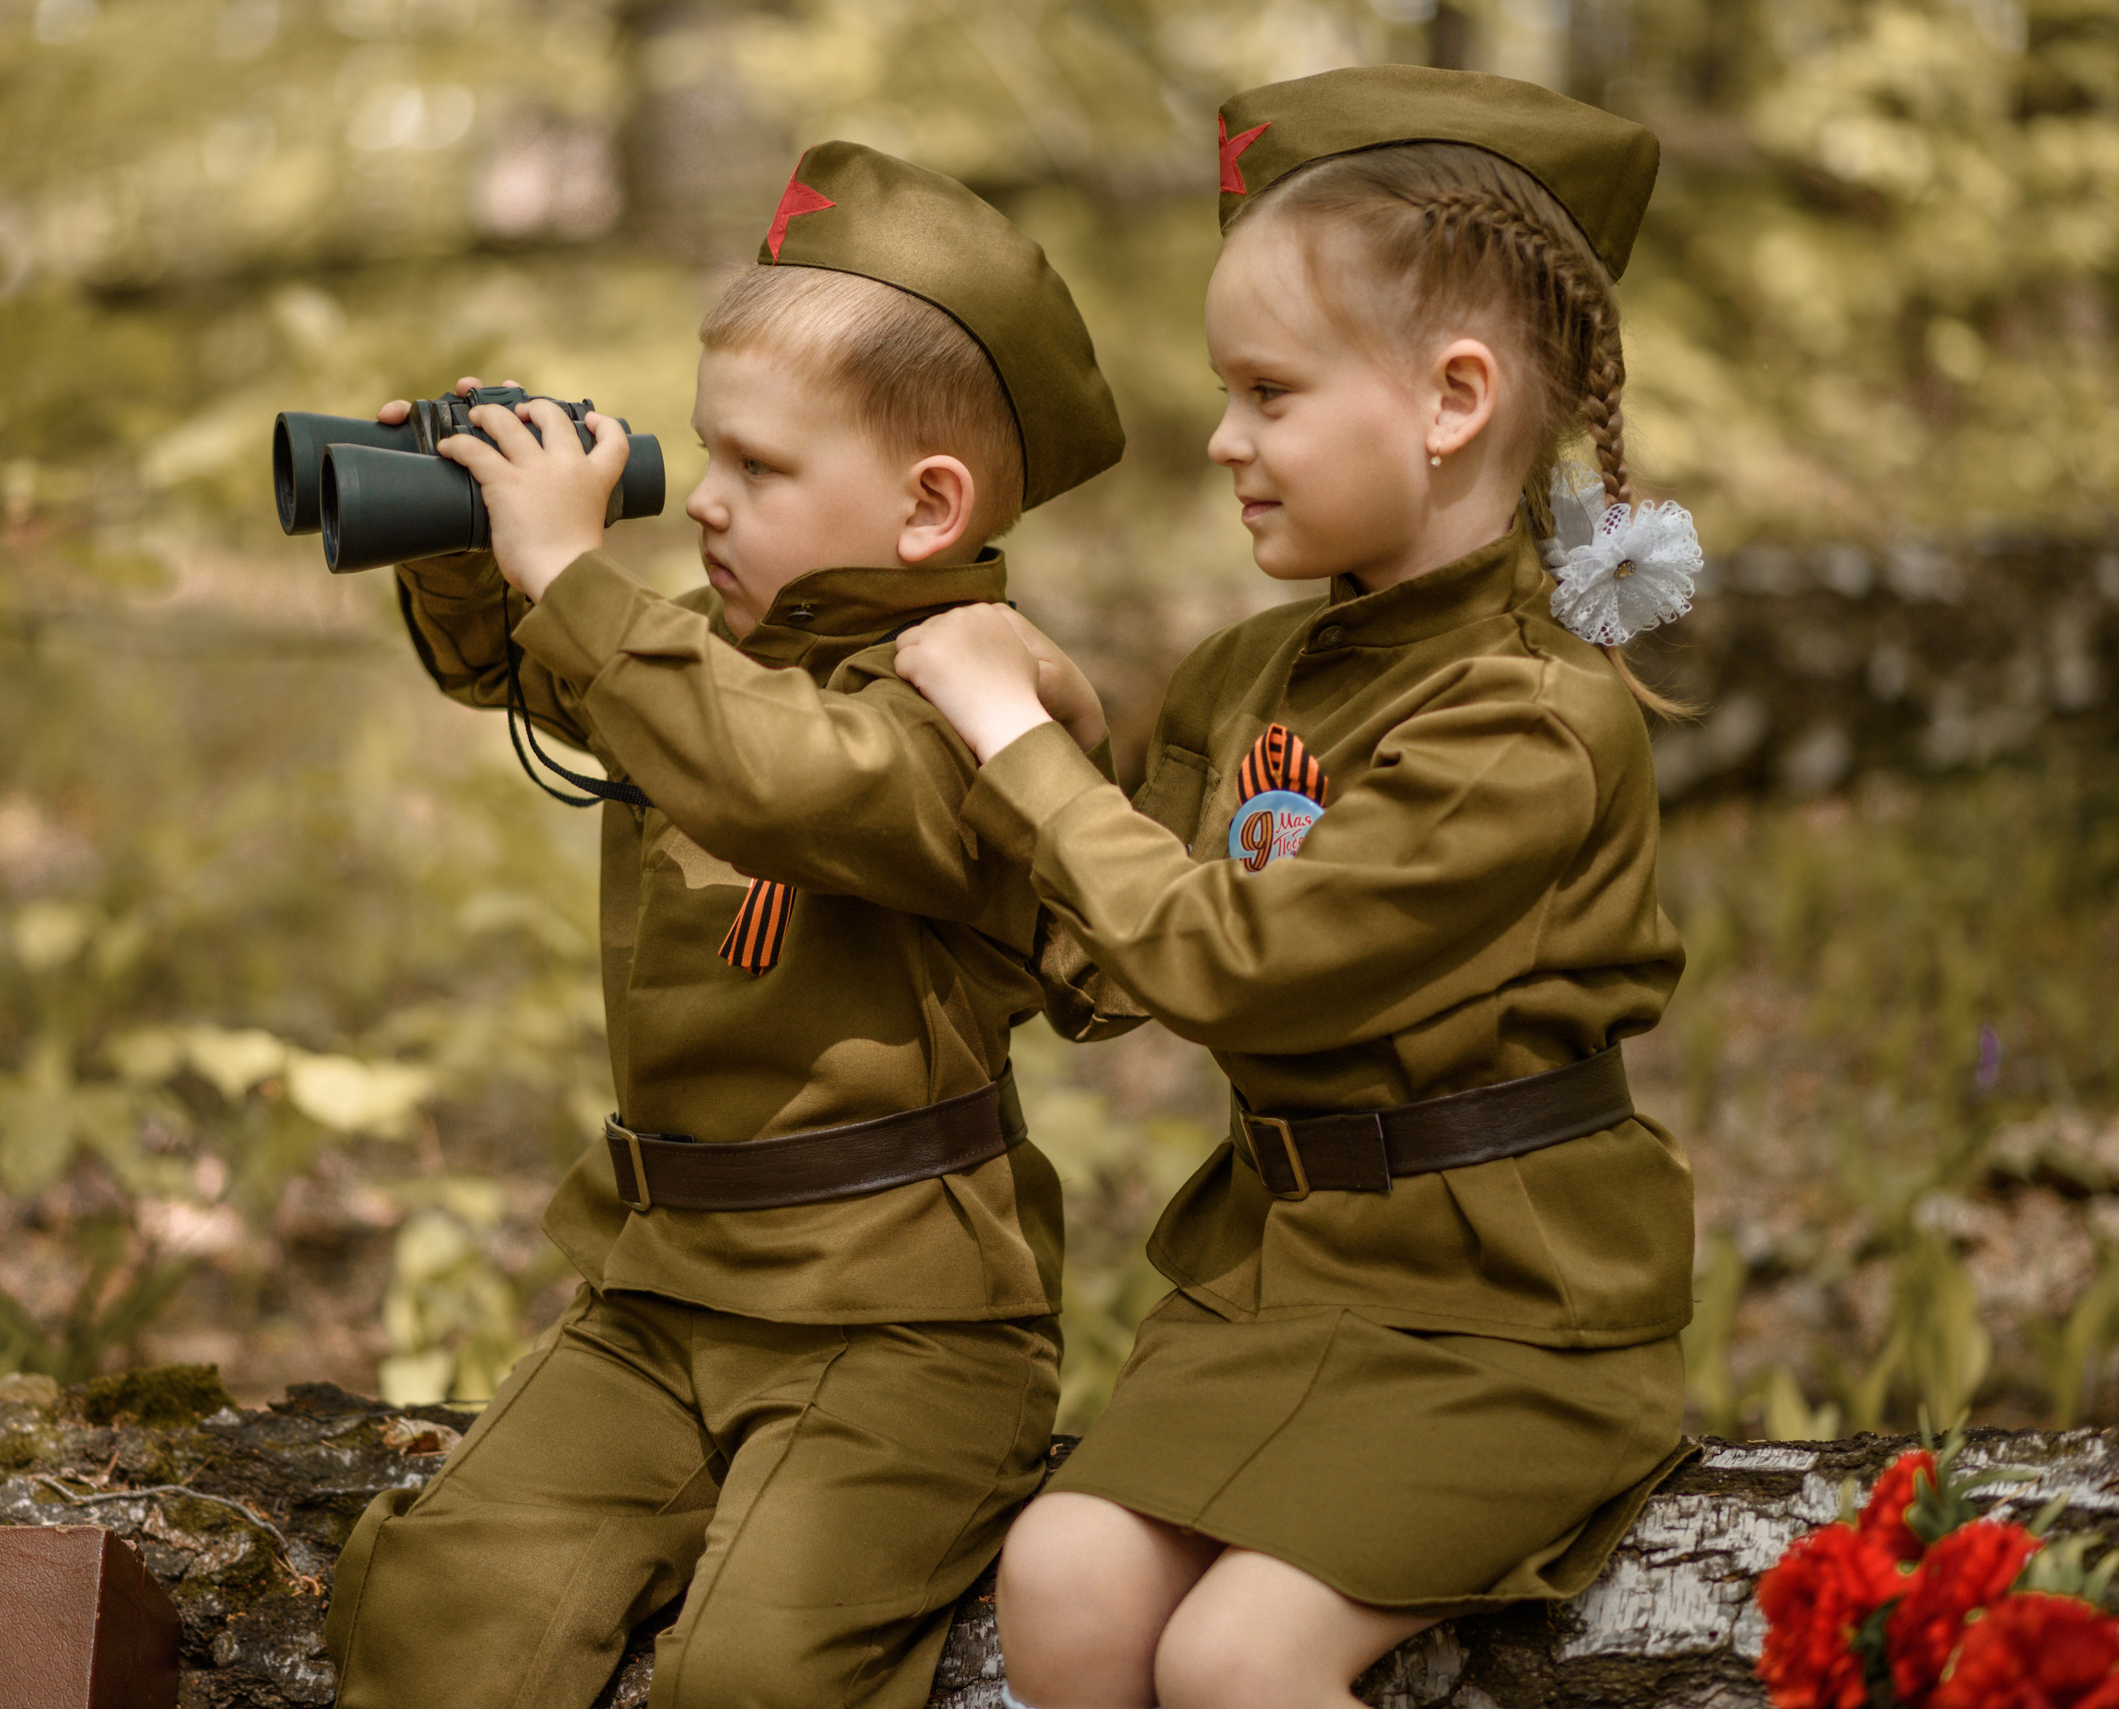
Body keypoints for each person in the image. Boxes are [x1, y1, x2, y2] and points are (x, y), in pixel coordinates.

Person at [893, 65, 1706, 1709]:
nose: (1222, 437)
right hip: (1287, 1276)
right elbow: (1107, 967)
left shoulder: (1535, 719)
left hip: (1503, 1314)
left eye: (1269, 390)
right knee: (1060, 1585)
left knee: (1238, 1657)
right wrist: (973, 766)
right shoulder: (1249, 667)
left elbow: (1235, 963)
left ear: (1451, 398)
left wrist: (1010, 751)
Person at [320, 141, 1126, 1709]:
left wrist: (571, 569)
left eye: (757, 469)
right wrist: (468, 539)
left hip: (900, 1324)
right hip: (664, 1285)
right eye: (706, 455)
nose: (703, 503)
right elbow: (542, 675)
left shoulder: (985, 696)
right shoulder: (693, 657)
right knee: (439, 1608)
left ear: (927, 506)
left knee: (750, 1675)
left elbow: (781, 771)